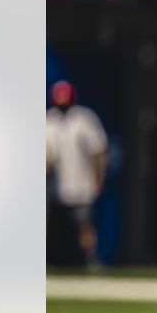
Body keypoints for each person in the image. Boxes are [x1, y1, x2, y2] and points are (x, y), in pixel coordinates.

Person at [46, 81, 108, 269]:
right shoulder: (49, 120)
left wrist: (98, 177)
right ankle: (54, 260)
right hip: (55, 186)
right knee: (54, 227)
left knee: (84, 224)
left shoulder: (84, 119)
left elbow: (98, 150)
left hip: (81, 183)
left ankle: (90, 260)